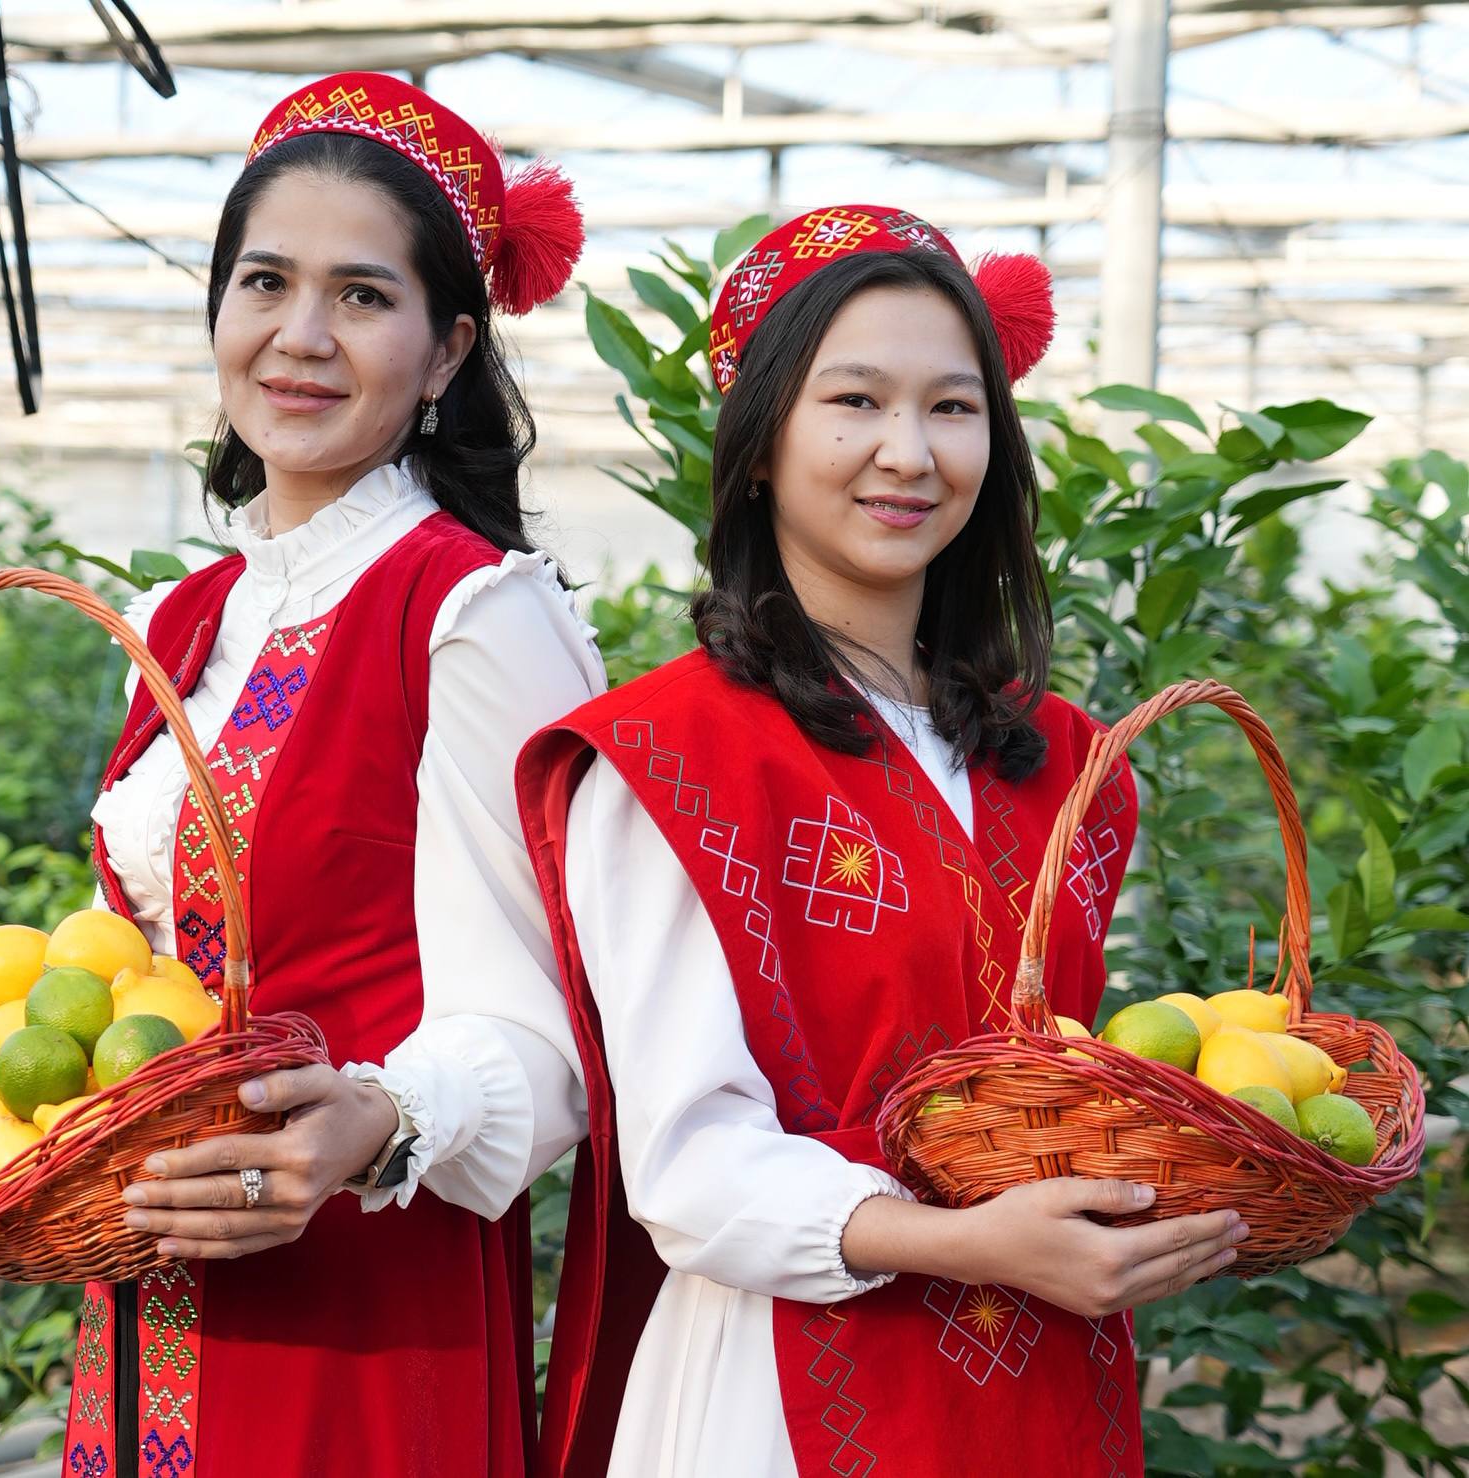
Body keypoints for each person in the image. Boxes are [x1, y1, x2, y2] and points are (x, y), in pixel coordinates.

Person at [514, 205, 1252, 1478]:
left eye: (953, 408)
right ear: (759, 446)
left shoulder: (1066, 759)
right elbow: (690, 1168)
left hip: (1054, 1362)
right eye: (854, 399)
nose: (908, 452)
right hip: (783, 1386)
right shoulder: (673, 758)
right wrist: (974, 1242)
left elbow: (1067, 1076)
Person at [62, 73, 601, 1478]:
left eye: (363, 296)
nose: (299, 337)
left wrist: (385, 1120)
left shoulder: (475, 613)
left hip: (367, 1307)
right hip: (153, 1298)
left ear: (444, 354)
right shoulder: (186, 621)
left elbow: (562, 1031)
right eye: (265, 282)